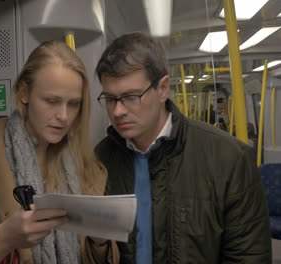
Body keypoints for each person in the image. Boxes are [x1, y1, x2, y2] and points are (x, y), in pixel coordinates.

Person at [0, 40, 119, 264]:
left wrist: (100, 242)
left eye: (73, 104)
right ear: (25, 93)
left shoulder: (86, 164)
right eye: (51, 101)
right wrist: (5, 238)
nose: (64, 116)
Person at [94, 32, 272, 263]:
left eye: (130, 96)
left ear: (163, 88)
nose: (117, 111)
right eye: (110, 98)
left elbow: (249, 256)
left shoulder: (229, 159)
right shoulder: (100, 159)